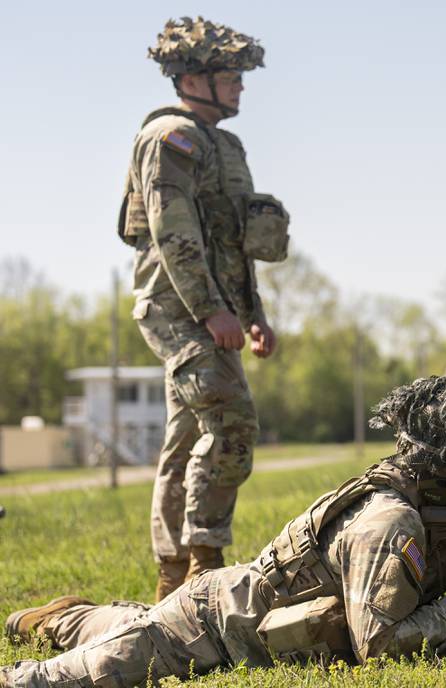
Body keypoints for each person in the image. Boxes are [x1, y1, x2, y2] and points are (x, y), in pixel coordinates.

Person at [2, 378, 446, 687]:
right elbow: (383, 649)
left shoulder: (435, 511)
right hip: (213, 627)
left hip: (234, 607)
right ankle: (50, 631)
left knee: (128, 623)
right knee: (57, 680)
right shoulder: (390, 523)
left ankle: (60, 616)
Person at [117, 17, 291, 600]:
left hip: (213, 308)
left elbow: (233, 242)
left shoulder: (227, 146)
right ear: (192, 77)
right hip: (177, 306)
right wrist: (211, 311)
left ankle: (172, 577)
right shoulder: (170, 138)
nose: (241, 85)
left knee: (188, 432)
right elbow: (175, 234)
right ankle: (204, 561)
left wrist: (252, 313)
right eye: (229, 75)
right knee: (231, 420)